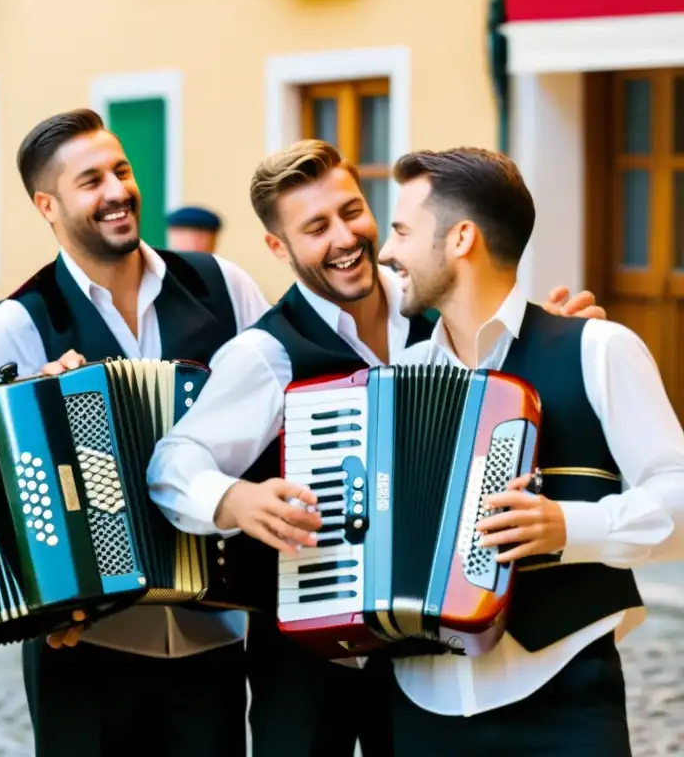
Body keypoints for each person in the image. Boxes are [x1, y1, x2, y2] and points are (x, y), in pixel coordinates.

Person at [145, 139, 607, 757]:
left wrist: (552, 335)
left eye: (351, 210)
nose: (345, 237)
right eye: (316, 227)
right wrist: (235, 500)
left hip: (429, 658)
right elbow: (173, 463)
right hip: (307, 664)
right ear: (279, 248)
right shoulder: (265, 355)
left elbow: (507, 374)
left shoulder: (432, 299)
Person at [0, 108, 270, 757]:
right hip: (84, 651)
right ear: (47, 206)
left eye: (121, 171)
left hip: (214, 634)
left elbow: (284, 412)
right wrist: (33, 420)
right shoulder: (15, 328)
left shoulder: (224, 288)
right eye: (90, 180)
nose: (116, 191)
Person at [374, 146, 684, 755]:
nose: (388, 252)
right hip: (418, 705)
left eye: (402, 231)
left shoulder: (599, 348)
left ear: (461, 238)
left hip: (563, 696)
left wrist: (570, 524)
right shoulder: (393, 380)